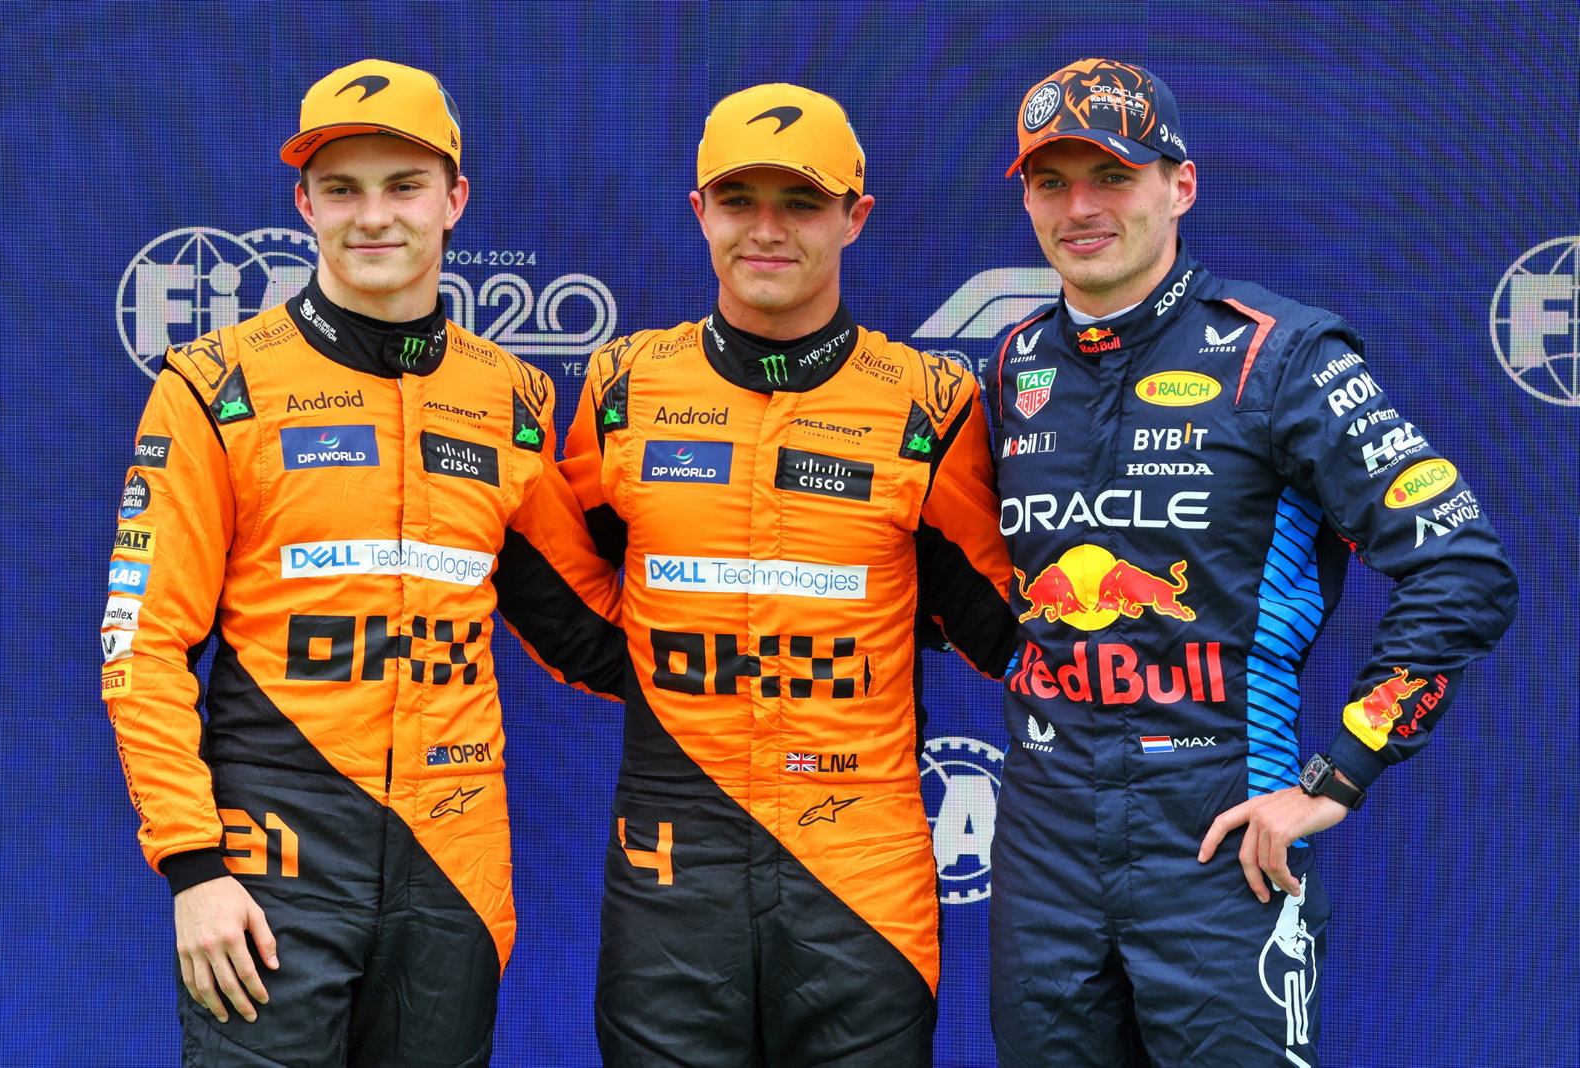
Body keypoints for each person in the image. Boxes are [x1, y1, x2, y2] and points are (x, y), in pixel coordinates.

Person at [984, 57, 1518, 1066]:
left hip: (1221, 846)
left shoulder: (1283, 356)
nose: (1080, 208)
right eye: (1051, 182)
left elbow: (1462, 567)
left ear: (1179, 185)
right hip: (1044, 855)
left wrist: (1339, 772)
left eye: (1112, 176)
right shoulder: (1014, 367)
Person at [99, 59, 622, 1066]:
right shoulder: (214, 386)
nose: (373, 216)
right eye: (342, 188)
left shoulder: (510, 397)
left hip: (456, 866)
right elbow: (143, 645)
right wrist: (193, 866)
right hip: (270, 868)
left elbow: (586, 630)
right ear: (304, 204)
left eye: (404, 185)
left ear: (454, 200)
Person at [560, 82, 1016, 1066]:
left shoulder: (930, 403)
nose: (766, 231)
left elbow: (1001, 624)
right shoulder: (622, 387)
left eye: (801, 202)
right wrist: (667, 678)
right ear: (699, 211)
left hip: (863, 873)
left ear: (856, 216)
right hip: (671, 867)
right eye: (739, 201)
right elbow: (564, 590)